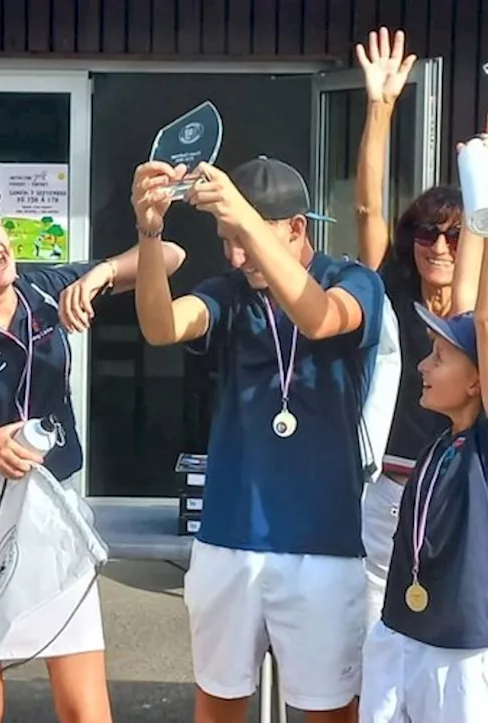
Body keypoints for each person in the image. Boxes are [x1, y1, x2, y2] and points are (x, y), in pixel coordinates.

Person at [0, 189, 185, 723]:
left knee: (85, 701)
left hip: (55, 509)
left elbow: (170, 256)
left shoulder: (40, 284)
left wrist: (100, 276)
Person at [133, 155, 386, 723]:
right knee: (218, 702)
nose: (235, 255)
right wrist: (149, 233)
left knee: (326, 710)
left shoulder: (353, 280)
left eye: (245, 237)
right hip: (229, 534)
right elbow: (162, 326)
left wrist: (245, 219)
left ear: (296, 229)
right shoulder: (230, 290)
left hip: (323, 541)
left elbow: (320, 320)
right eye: (227, 240)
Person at [351, 27, 488, 720]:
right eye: (428, 232)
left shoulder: (475, 326)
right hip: (395, 490)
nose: (439, 244)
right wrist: (380, 108)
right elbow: (370, 209)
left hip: (466, 498)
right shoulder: (392, 295)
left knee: (476, 669)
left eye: (455, 234)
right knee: (392, 652)